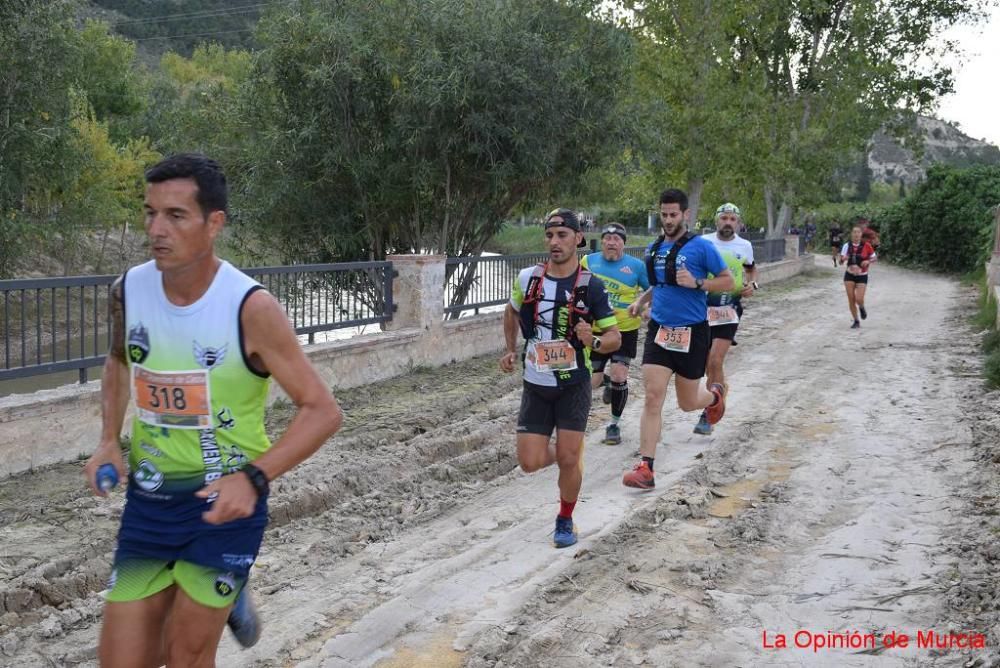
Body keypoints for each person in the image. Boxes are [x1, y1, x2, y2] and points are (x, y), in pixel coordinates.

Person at [83, 153, 343, 667]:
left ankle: (214, 593)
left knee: (185, 656)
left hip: (224, 505)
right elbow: (117, 363)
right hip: (150, 503)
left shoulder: (250, 308)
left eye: (175, 215)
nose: (157, 229)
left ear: (214, 223)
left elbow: (322, 410)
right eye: (150, 213)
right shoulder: (129, 291)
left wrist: (253, 478)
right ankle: (222, 599)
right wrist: (109, 439)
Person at [500, 208, 621, 547]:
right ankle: (569, 453)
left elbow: (614, 339)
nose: (554, 242)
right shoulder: (528, 279)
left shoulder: (591, 286)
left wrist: (592, 340)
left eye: (562, 235)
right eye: (550, 236)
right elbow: (509, 311)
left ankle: (565, 519)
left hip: (574, 384)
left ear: (578, 239)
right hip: (536, 385)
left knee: (568, 459)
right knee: (529, 462)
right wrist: (510, 348)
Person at [621, 189, 733, 490]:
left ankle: (714, 397)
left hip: (692, 332)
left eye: (674, 214)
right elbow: (661, 284)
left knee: (687, 403)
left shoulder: (701, 247)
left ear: (685, 214)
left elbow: (728, 281)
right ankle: (646, 467)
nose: (668, 220)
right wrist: (642, 302)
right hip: (660, 331)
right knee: (653, 395)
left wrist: (698, 282)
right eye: (664, 214)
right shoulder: (655, 247)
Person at [580, 222, 650, 445]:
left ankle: (613, 425)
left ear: (623, 244)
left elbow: (652, 291)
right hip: (595, 330)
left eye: (616, 239)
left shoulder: (637, 266)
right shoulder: (588, 262)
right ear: (602, 242)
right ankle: (606, 381)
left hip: (625, 329)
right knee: (592, 380)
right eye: (607, 239)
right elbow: (576, 289)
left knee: (620, 375)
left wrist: (645, 307)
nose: (611, 243)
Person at [693, 203, 758, 435]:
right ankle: (720, 390)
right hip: (701, 309)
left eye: (732, 219)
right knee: (702, 362)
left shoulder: (745, 245)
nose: (728, 222)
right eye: (724, 218)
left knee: (715, 360)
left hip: (729, 309)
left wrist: (753, 284)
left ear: (738, 222)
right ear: (717, 220)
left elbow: (751, 269)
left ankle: (708, 413)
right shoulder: (704, 242)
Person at [840, 225, 877, 328]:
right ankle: (856, 321)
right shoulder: (846, 246)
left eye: (858, 232)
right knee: (851, 299)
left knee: (859, 299)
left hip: (862, 275)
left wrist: (868, 261)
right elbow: (841, 261)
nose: (856, 234)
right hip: (849, 275)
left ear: (861, 234)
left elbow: (874, 258)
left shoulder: (867, 246)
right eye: (854, 232)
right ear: (852, 234)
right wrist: (844, 258)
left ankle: (861, 307)